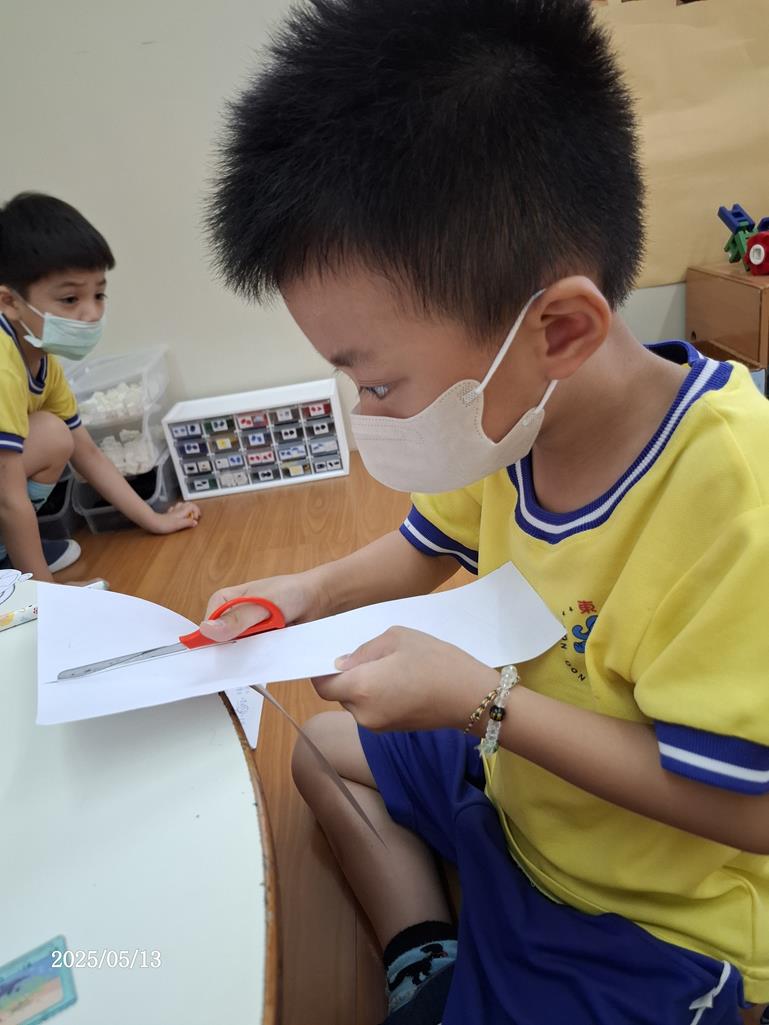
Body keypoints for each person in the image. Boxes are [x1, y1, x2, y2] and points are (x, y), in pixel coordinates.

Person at [203, 1, 769, 1022]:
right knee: (320, 753)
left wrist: (484, 705)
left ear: (558, 328)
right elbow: (426, 545)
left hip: (652, 911)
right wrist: (305, 591)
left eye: (378, 383)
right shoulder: (517, 418)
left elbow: (749, 807)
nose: (367, 415)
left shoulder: (734, 500)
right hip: (523, 782)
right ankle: (425, 952)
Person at [0, 192, 200, 581]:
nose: (92, 312)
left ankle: (11, 556)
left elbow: (87, 452)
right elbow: (8, 497)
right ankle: (20, 572)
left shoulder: (41, 361)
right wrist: (46, 597)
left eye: (99, 294)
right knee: (50, 435)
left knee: (55, 436)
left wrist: (155, 519)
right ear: (9, 301)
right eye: (70, 298)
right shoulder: (4, 364)